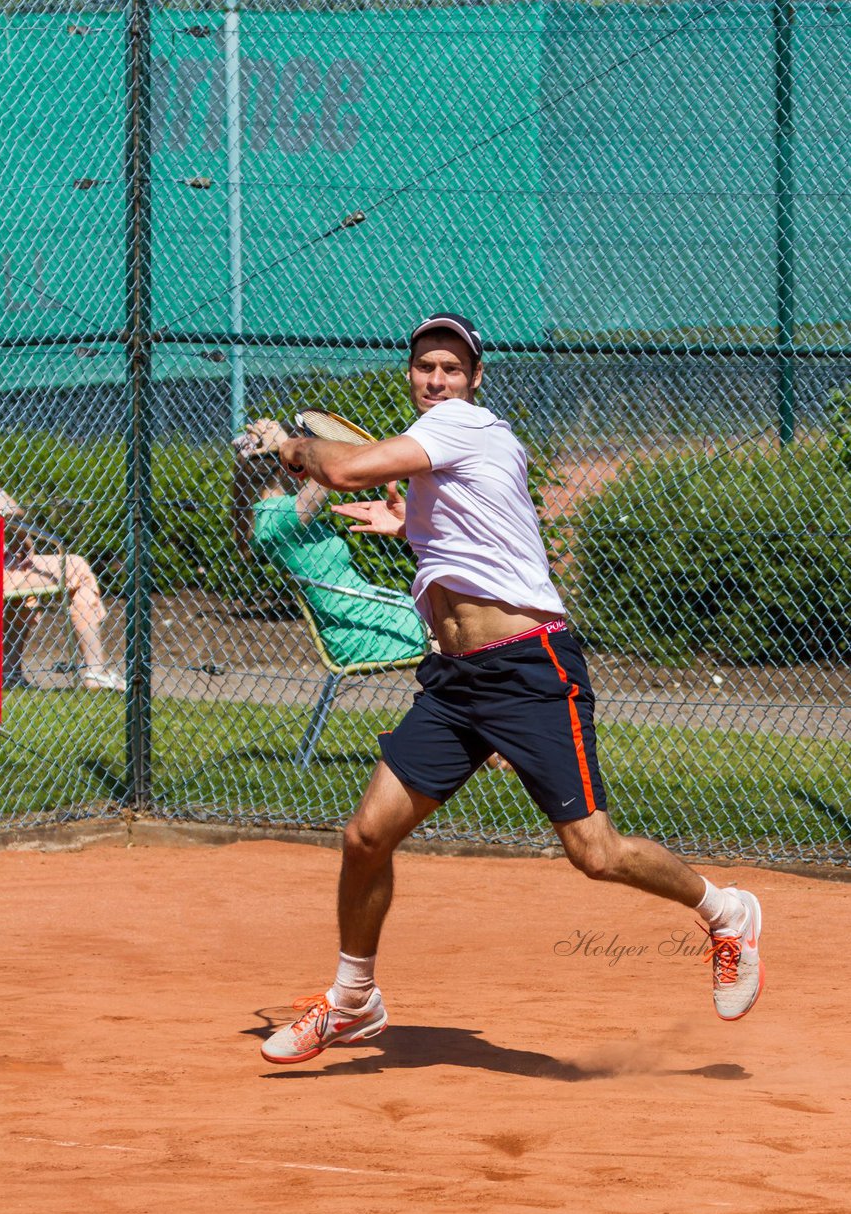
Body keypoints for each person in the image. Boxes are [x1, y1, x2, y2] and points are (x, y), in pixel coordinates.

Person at [244, 311, 764, 1066]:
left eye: (452, 368)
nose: (437, 379)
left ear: (473, 379)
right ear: (411, 373)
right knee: (366, 836)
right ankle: (354, 1001)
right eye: (426, 366)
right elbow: (466, 537)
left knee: (594, 852)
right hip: (457, 683)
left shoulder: (465, 425)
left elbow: (345, 468)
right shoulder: (436, 465)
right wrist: (410, 526)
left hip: (529, 668)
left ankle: (727, 913)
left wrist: (288, 446)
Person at [231, 430, 427, 667]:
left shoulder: (265, 518)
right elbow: (333, 470)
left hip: (371, 615)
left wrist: (282, 445)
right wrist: (289, 444)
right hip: (363, 630)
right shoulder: (277, 518)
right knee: (464, 631)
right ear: (284, 467)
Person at [0, 484, 125, 693]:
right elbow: (9, 509)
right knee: (77, 571)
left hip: (8, 565)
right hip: (3, 571)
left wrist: (21, 536)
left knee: (42, 578)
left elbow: (10, 509)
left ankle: (9, 673)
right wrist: (22, 534)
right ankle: (95, 671)